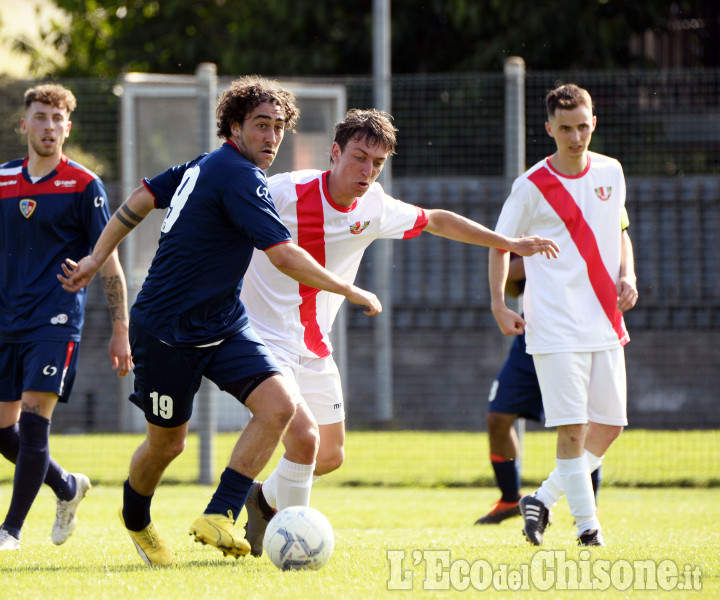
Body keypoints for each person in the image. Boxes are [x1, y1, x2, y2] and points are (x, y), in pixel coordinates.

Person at [58, 76, 382, 568]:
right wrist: (349, 288)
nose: (271, 137)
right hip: (166, 331)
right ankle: (136, 519)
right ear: (233, 126)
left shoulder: (205, 165)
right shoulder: (238, 175)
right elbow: (283, 254)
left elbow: (140, 200)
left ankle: (219, 514)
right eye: (260, 125)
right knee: (167, 443)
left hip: (225, 323)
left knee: (278, 408)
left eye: (278, 127)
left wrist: (94, 255)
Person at [239, 108, 560, 556]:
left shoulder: (376, 207)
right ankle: (292, 551)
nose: (366, 170)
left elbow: (438, 220)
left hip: (313, 346)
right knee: (304, 439)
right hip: (261, 338)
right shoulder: (282, 191)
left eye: (377, 162)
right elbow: (224, 219)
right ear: (334, 153)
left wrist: (506, 243)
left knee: (329, 455)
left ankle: (261, 498)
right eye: (358, 157)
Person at [0, 83, 132, 550]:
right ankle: (67, 486)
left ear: (68, 127)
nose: (49, 127)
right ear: (24, 124)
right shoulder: (3, 181)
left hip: (56, 322)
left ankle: (9, 530)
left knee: (34, 421)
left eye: (57, 119)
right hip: (6, 322)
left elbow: (108, 259)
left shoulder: (84, 185)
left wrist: (120, 329)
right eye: (41, 117)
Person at [488, 83, 638, 547]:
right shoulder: (531, 185)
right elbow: (499, 244)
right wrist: (499, 303)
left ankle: (542, 498)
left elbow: (620, 229)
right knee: (571, 429)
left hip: (606, 322)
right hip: (554, 324)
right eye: (565, 129)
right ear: (549, 129)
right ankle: (588, 530)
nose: (575, 137)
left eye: (582, 127)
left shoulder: (611, 170)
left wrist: (628, 274)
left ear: (594, 123)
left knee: (610, 425)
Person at [474, 255, 601, 525]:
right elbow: (511, 283)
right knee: (497, 417)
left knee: (582, 424)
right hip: (532, 334)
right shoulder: (528, 222)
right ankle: (510, 499)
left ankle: (589, 507)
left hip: (577, 333)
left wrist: (536, 261)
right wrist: (525, 259)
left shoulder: (589, 220)